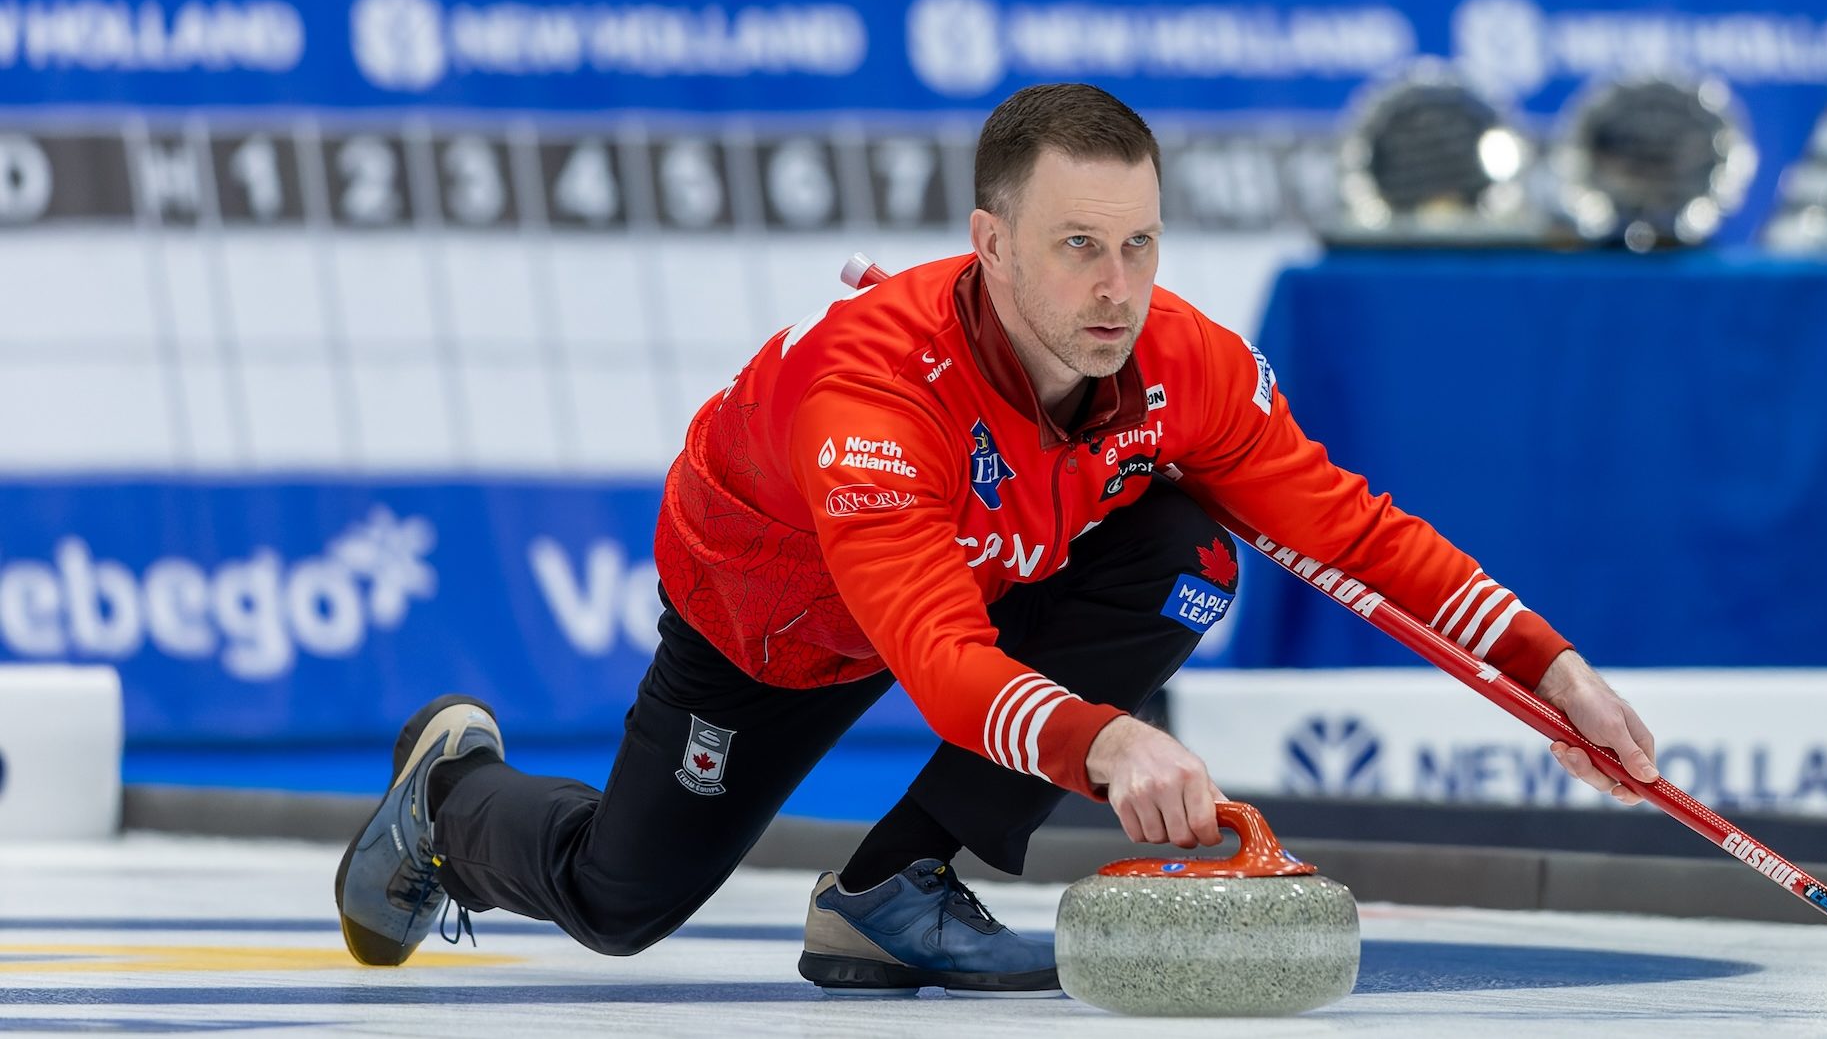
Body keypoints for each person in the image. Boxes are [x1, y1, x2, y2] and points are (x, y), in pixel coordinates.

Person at [334, 82, 1661, 996]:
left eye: (1140, 245)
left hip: (980, 568)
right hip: (781, 622)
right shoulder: (873, 394)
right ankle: (451, 798)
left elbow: (1353, 536)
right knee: (619, 905)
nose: (1118, 290)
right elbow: (938, 660)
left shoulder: (1180, 359)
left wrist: (1553, 677)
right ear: (992, 244)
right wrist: (1108, 740)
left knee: (1193, 551)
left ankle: (890, 891)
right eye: (1079, 246)